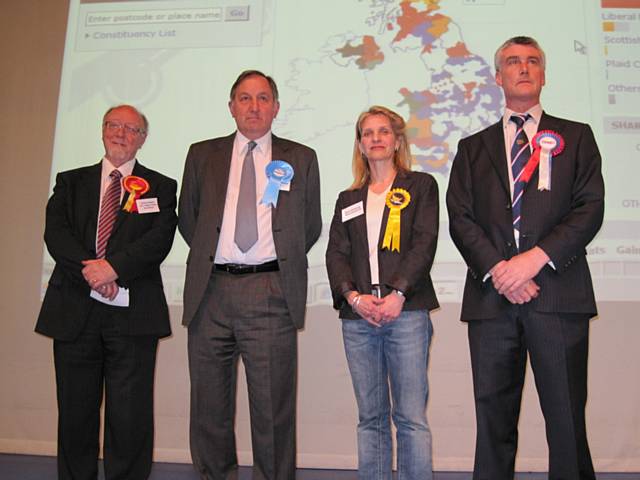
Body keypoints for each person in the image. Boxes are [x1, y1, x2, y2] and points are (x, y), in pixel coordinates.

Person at [446, 36, 605, 479]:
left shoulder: (576, 137)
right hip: (492, 301)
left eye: (533, 61)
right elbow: (460, 217)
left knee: (567, 421)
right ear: (498, 77)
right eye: (513, 62)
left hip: (558, 295)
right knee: (493, 423)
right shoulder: (472, 148)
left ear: (543, 75)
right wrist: (501, 270)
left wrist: (534, 259)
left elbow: (590, 206)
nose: (524, 68)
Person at [178, 70, 322, 480]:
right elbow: (190, 219)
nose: (254, 106)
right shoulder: (201, 154)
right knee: (208, 407)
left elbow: (308, 226)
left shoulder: (301, 157)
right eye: (244, 98)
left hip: (271, 292)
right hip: (210, 292)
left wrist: (270, 265)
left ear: (276, 107)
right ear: (231, 107)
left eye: (262, 98)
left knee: (273, 409)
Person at [36, 105, 178, 480]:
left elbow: (158, 239)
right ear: (102, 131)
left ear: (143, 138)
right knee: (75, 412)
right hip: (75, 311)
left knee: (129, 417)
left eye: (131, 129)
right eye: (114, 125)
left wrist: (113, 268)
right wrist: (92, 271)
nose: (121, 133)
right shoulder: (71, 181)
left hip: (132, 316)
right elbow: (56, 233)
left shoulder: (161, 186)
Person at [325, 106, 439, 480]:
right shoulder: (348, 198)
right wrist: (353, 298)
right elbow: (336, 253)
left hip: (405, 313)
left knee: (410, 417)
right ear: (360, 144)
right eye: (368, 133)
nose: (375, 138)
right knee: (370, 417)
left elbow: (424, 243)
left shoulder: (420, 186)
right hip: (358, 319)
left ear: (396, 141)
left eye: (383, 131)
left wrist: (398, 294)